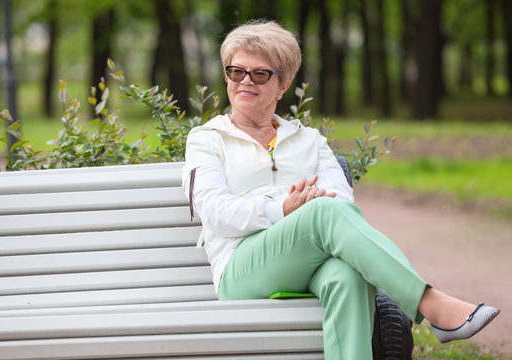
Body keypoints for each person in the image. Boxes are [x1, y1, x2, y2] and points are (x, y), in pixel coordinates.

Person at [181, 20, 499, 359]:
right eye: (235, 71)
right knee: (321, 212)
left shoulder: (310, 141)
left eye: (259, 74)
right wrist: (283, 208)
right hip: (241, 269)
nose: (245, 81)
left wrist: (303, 213)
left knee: (347, 274)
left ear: (283, 85)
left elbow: (340, 204)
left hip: (309, 263)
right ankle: (432, 304)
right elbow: (216, 214)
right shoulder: (207, 139)